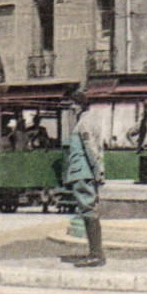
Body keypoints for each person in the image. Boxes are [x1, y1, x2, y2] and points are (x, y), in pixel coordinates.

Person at [60, 91, 106, 268]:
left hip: (83, 172)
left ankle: (96, 254)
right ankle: (95, 253)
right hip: (85, 172)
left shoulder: (84, 122)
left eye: (73, 104)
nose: (71, 108)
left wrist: (97, 170)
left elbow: (91, 148)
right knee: (88, 210)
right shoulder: (87, 120)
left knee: (88, 211)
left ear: (80, 104)